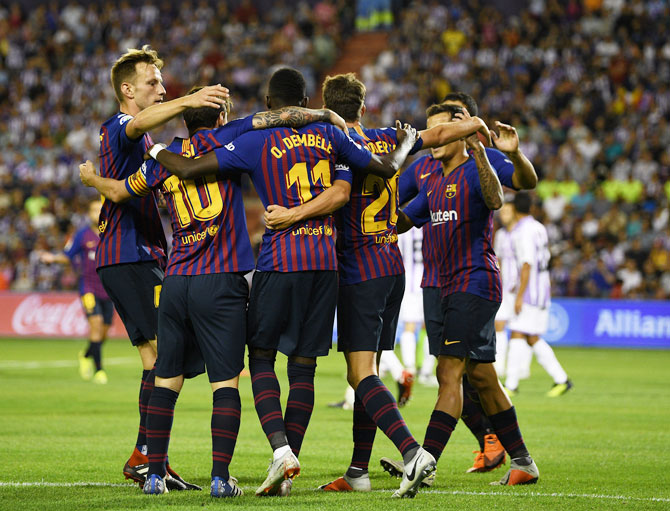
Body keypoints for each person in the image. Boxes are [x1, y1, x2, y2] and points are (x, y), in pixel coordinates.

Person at [144, 67, 419, 497]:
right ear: (307, 102)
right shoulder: (332, 135)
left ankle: (280, 450)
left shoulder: (250, 137)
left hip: (273, 260)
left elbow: (191, 167)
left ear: (269, 104)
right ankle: (291, 464)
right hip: (327, 263)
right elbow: (381, 170)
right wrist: (405, 142)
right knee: (304, 366)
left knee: (259, 359)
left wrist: (157, 150)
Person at [81, 86, 352, 496]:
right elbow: (279, 118)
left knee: (165, 379)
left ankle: (154, 475)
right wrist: (328, 116)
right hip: (221, 280)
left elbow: (118, 192)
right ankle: (220, 478)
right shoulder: (233, 138)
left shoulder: (164, 159)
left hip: (174, 281)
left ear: (185, 120)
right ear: (220, 117)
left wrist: (90, 178)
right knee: (225, 383)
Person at [264, 73, 491, 496]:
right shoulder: (388, 138)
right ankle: (357, 472)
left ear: (329, 108)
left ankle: (412, 453)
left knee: (361, 375)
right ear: (363, 108)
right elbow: (440, 131)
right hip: (392, 265)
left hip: (358, 270)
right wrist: (475, 125)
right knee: (365, 374)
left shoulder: (333, 145)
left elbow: (336, 196)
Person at [97, 45, 231, 491]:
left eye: (162, 82)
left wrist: (93, 179)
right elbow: (136, 125)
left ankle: (148, 456)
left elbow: (122, 184)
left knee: (160, 359)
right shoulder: (122, 126)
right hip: (128, 254)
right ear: (127, 89)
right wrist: (191, 101)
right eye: (152, 83)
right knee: (161, 358)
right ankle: (147, 457)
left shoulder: (147, 145)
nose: (161, 88)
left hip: (139, 255)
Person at [395, 93, 541, 486]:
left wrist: (504, 153)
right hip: (434, 285)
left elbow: (512, 189)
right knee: (482, 377)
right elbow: (401, 217)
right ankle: (524, 463)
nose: (436, 138)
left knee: (449, 371)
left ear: (464, 131)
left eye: (445, 131)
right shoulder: (426, 173)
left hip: (473, 280)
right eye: (433, 133)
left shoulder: (482, 162)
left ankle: (423, 463)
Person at [504, 192, 573, 397]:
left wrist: (519, 295)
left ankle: (512, 384)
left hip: (530, 292)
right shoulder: (539, 228)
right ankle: (560, 379)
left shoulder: (522, 231)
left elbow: (527, 264)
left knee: (519, 332)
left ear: (515, 209)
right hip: (541, 289)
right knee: (530, 336)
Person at [40, 199, 113, 384]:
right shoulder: (82, 235)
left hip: (109, 289)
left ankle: (86, 354)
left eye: (100, 210)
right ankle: (99, 371)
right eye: (94, 210)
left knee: (103, 332)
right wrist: (53, 258)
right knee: (95, 325)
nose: (97, 213)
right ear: (88, 214)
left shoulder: (112, 233)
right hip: (88, 288)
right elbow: (67, 257)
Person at [493, 201, 532, 379]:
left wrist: (522, 289)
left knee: (522, 329)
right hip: (504, 287)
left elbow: (526, 263)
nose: (503, 215)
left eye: (507, 211)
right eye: (502, 212)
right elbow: (498, 259)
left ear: (515, 213)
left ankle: (522, 368)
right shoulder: (500, 235)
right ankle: (499, 365)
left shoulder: (522, 234)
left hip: (519, 288)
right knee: (499, 324)